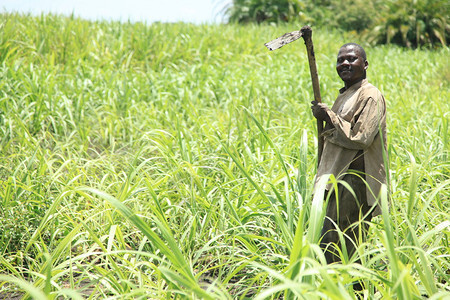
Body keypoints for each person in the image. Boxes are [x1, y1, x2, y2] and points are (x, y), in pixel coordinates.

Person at [310, 43, 388, 266]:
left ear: (365, 65)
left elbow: (361, 137)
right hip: (338, 177)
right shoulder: (346, 95)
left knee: (347, 245)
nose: (344, 63)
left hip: (355, 179)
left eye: (351, 59)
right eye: (340, 60)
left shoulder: (370, 95)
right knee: (330, 241)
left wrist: (330, 118)